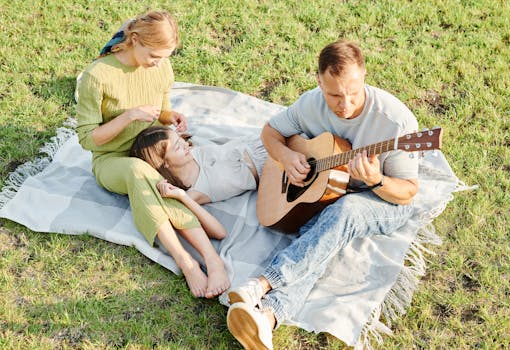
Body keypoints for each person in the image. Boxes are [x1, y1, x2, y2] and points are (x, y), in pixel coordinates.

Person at [225, 39, 419, 350]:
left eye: (353, 93)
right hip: (330, 191)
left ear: (365, 75)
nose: (345, 105)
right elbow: (270, 133)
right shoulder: (310, 103)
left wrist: (377, 178)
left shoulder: (395, 122)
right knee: (325, 234)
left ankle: (261, 284)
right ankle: (268, 317)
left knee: (345, 213)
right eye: (334, 95)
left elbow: (408, 192)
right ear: (318, 81)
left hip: (382, 198)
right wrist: (286, 158)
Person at [75, 10, 230, 299]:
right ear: (134, 40)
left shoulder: (162, 68)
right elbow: (87, 138)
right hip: (112, 159)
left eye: (164, 57)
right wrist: (129, 116)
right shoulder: (97, 76)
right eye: (154, 56)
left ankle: (212, 260)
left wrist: (171, 117)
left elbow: (160, 112)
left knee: (164, 186)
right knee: (139, 172)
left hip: (152, 150)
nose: (159, 63)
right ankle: (186, 262)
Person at [129, 125, 267, 204]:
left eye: (180, 139)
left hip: (259, 141)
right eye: (177, 147)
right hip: (266, 168)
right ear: (164, 163)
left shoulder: (190, 153)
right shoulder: (193, 193)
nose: (185, 144)